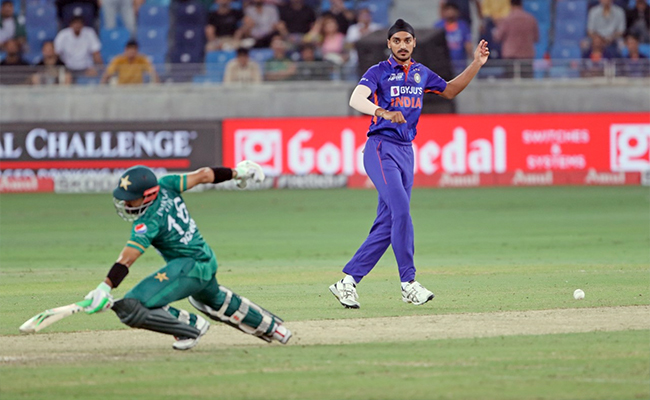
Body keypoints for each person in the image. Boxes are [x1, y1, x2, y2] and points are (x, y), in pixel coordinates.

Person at [329, 19, 490, 309]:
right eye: (397, 41)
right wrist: (382, 112)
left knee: (389, 222)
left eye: (407, 40)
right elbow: (356, 98)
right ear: (389, 44)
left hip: (406, 151)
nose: (402, 45)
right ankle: (408, 283)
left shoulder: (421, 73)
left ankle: (348, 282)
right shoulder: (378, 71)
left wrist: (476, 63)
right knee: (401, 212)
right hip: (381, 149)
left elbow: (450, 90)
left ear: (414, 43)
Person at [82, 162, 292, 350]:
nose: (127, 204)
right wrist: (238, 172)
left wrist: (105, 287)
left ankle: (190, 326)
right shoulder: (167, 184)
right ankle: (274, 329)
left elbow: (127, 258)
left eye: (131, 200)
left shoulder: (148, 222)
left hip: (189, 268)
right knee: (213, 300)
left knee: (132, 305)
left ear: (148, 195)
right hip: (207, 260)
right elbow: (204, 175)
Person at [492, 0, 538, 78]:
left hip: (511, 57)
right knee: (527, 83)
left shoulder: (507, 19)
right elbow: (536, 38)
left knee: (510, 84)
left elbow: (497, 37)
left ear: (511, 5)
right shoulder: (531, 19)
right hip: (527, 57)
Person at [434, 1, 473, 75]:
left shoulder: (463, 26)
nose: (450, 12)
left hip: (460, 64)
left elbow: (468, 43)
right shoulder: (438, 26)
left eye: (453, 9)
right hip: (443, 64)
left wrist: (472, 58)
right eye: (448, 9)